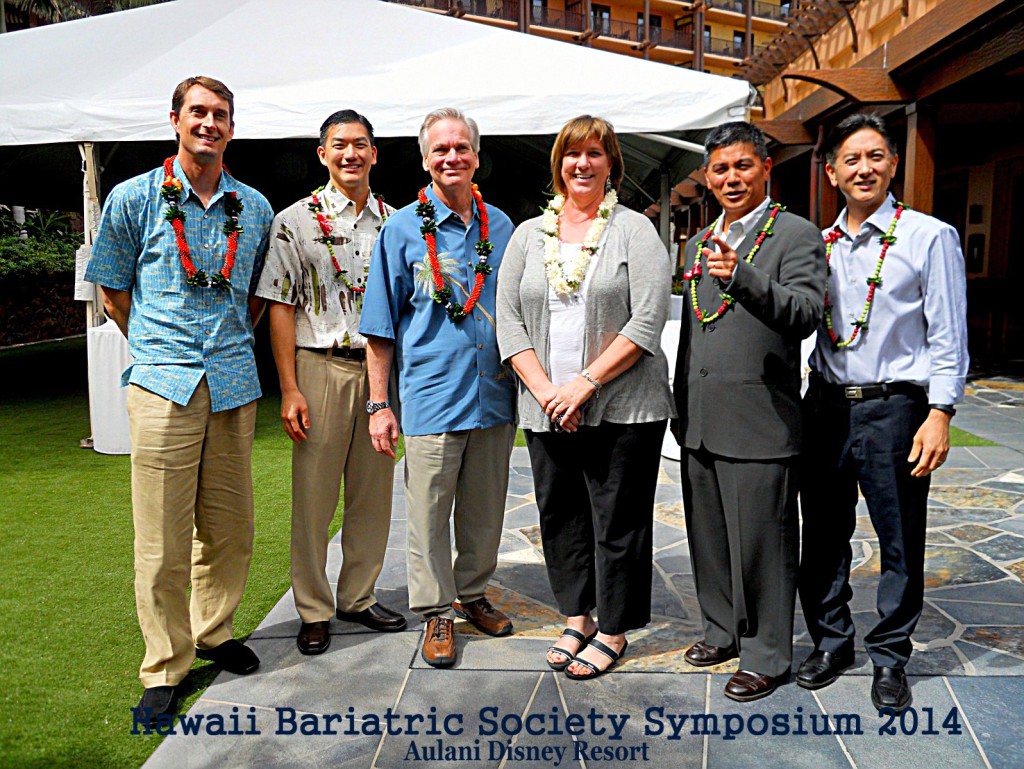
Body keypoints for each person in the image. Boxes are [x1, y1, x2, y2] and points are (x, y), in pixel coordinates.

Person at [84, 76, 274, 723]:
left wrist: (226, 340)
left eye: (220, 113)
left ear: (231, 126)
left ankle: (213, 632)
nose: (209, 123)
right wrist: (156, 346)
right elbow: (110, 287)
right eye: (198, 111)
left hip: (232, 383)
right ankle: (165, 663)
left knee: (230, 529)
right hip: (163, 384)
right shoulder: (134, 197)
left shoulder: (254, 207)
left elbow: (258, 294)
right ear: (175, 120)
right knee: (161, 538)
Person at [797, 114, 968, 711]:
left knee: (899, 538)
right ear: (833, 172)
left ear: (892, 165)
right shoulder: (817, 244)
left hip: (896, 408)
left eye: (875, 157)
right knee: (820, 536)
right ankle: (831, 641)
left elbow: (948, 333)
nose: (863, 168)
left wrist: (941, 410)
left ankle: (891, 654)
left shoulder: (928, 236)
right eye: (851, 159)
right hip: (824, 406)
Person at [496, 115, 674, 680]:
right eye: (573, 155)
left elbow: (647, 319)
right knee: (560, 515)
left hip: (622, 405)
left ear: (610, 164)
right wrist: (548, 390)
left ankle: (615, 628)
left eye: (595, 154)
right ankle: (577, 618)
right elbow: (507, 319)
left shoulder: (634, 231)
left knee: (617, 520)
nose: (583, 164)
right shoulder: (529, 235)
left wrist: (584, 384)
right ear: (558, 164)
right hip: (547, 404)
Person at [673, 121, 825, 701]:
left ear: (765, 168)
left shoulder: (795, 234)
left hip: (763, 419)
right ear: (707, 178)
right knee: (708, 538)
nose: (731, 177)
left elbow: (807, 313)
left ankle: (767, 653)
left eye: (742, 166)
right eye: (720, 169)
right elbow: (693, 331)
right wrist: (681, 404)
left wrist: (743, 276)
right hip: (702, 417)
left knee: (764, 543)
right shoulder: (696, 243)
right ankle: (721, 629)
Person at [359, 108, 516, 668]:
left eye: (462, 148)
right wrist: (379, 405)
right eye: (440, 150)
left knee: (484, 510)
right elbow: (379, 327)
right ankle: (436, 613)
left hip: (494, 393)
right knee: (428, 513)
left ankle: (472, 594)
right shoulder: (401, 229)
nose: (452, 157)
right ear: (425, 159)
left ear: (477, 155)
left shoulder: (503, 228)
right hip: (430, 394)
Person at [255, 110, 406, 657]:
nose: (350, 154)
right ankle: (313, 609)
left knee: (373, 495)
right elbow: (278, 306)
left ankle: (358, 597)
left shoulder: (398, 223)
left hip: (379, 373)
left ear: (374, 153)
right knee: (313, 500)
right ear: (322, 154)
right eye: (339, 145)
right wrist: (290, 387)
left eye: (360, 145)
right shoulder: (295, 221)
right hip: (319, 365)